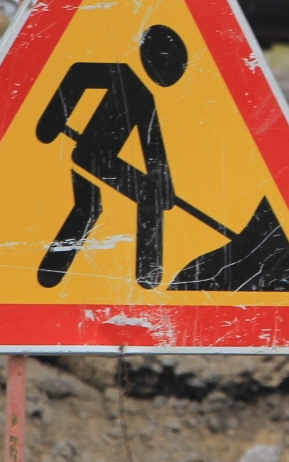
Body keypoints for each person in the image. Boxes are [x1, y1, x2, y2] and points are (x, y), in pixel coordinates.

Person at [34, 24, 189, 289]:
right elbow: (78, 75)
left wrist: (165, 186)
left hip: (96, 157)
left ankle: (50, 273)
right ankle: (147, 273)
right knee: (142, 198)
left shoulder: (142, 94)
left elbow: (153, 148)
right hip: (94, 156)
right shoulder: (124, 76)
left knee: (89, 208)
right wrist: (51, 122)